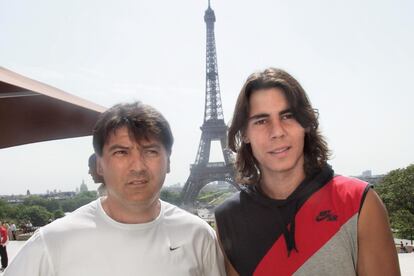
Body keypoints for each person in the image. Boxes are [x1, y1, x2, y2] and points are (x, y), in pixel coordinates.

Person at [215, 68, 400, 275]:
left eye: (287, 116)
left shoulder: (359, 202)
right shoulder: (228, 218)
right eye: (261, 120)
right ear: (245, 133)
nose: (277, 132)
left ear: (306, 124)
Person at [5, 102, 225, 276]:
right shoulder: (51, 243)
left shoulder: (199, 237)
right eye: (121, 152)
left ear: (168, 162)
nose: (138, 166)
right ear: (100, 165)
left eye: (150, 151)